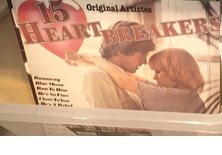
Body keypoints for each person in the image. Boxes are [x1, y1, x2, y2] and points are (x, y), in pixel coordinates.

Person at [65, 47, 209, 114]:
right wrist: (86, 62)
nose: (154, 77)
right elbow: (129, 76)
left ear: (175, 71)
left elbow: (123, 80)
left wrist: (94, 57)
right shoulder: (184, 95)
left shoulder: (173, 96)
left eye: (158, 72)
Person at [81, 20, 156, 110]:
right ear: (120, 49)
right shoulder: (97, 76)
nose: (144, 62)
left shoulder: (127, 78)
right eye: (143, 54)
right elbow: (109, 119)